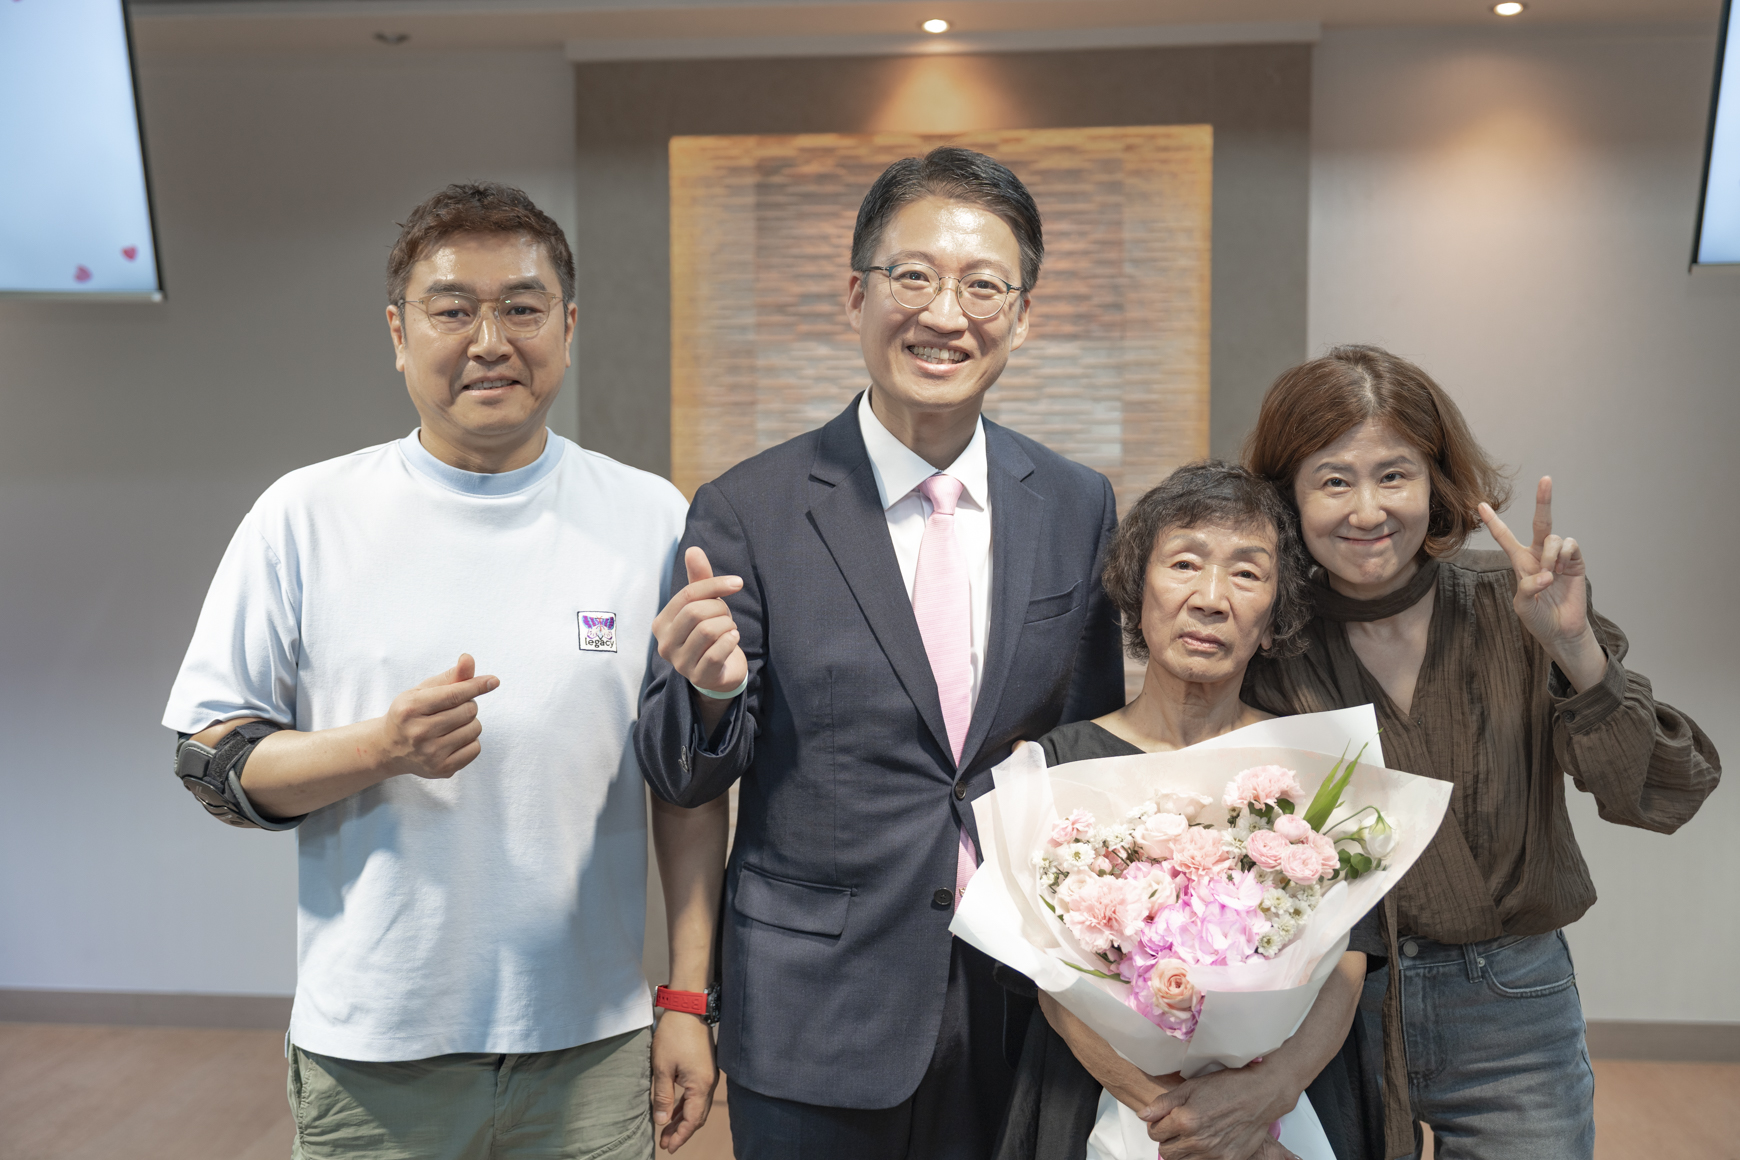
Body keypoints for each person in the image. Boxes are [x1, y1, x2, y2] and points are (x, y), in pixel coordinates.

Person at [162, 183, 726, 1159]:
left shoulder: (650, 518)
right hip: (372, 1055)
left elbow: (686, 790)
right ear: (398, 331)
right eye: (453, 308)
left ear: (569, 326)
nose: (490, 340)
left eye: (522, 307)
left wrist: (685, 997)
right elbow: (212, 762)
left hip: (590, 1046)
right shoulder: (306, 516)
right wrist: (380, 748)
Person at [634, 146, 1125, 1160]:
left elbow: (1090, 753)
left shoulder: (1075, 504)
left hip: (1019, 1003)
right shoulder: (750, 508)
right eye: (914, 276)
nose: (947, 314)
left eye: (983, 286)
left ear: (1022, 316)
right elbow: (683, 775)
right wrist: (712, 697)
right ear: (856, 294)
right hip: (816, 1008)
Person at [1240, 344, 1722, 1160]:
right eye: (1334, 481)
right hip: (1327, 1010)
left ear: (1437, 482)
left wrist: (1575, 651)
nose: (1368, 510)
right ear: (1287, 495)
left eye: (1394, 475)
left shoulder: (1518, 605)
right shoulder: (1268, 639)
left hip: (1512, 1008)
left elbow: (1662, 792)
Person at [995, 461, 1383, 1160]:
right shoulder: (1060, 763)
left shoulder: (1315, 766)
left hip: (1285, 1111)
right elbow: (1051, 983)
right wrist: (1181, 1119)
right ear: (1135, 594)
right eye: (1184, 563)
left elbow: (1350, 961)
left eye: (1247, 573)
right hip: (1104, 1104)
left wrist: (1266, 1098)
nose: (1210, 599)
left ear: (1274, 620)